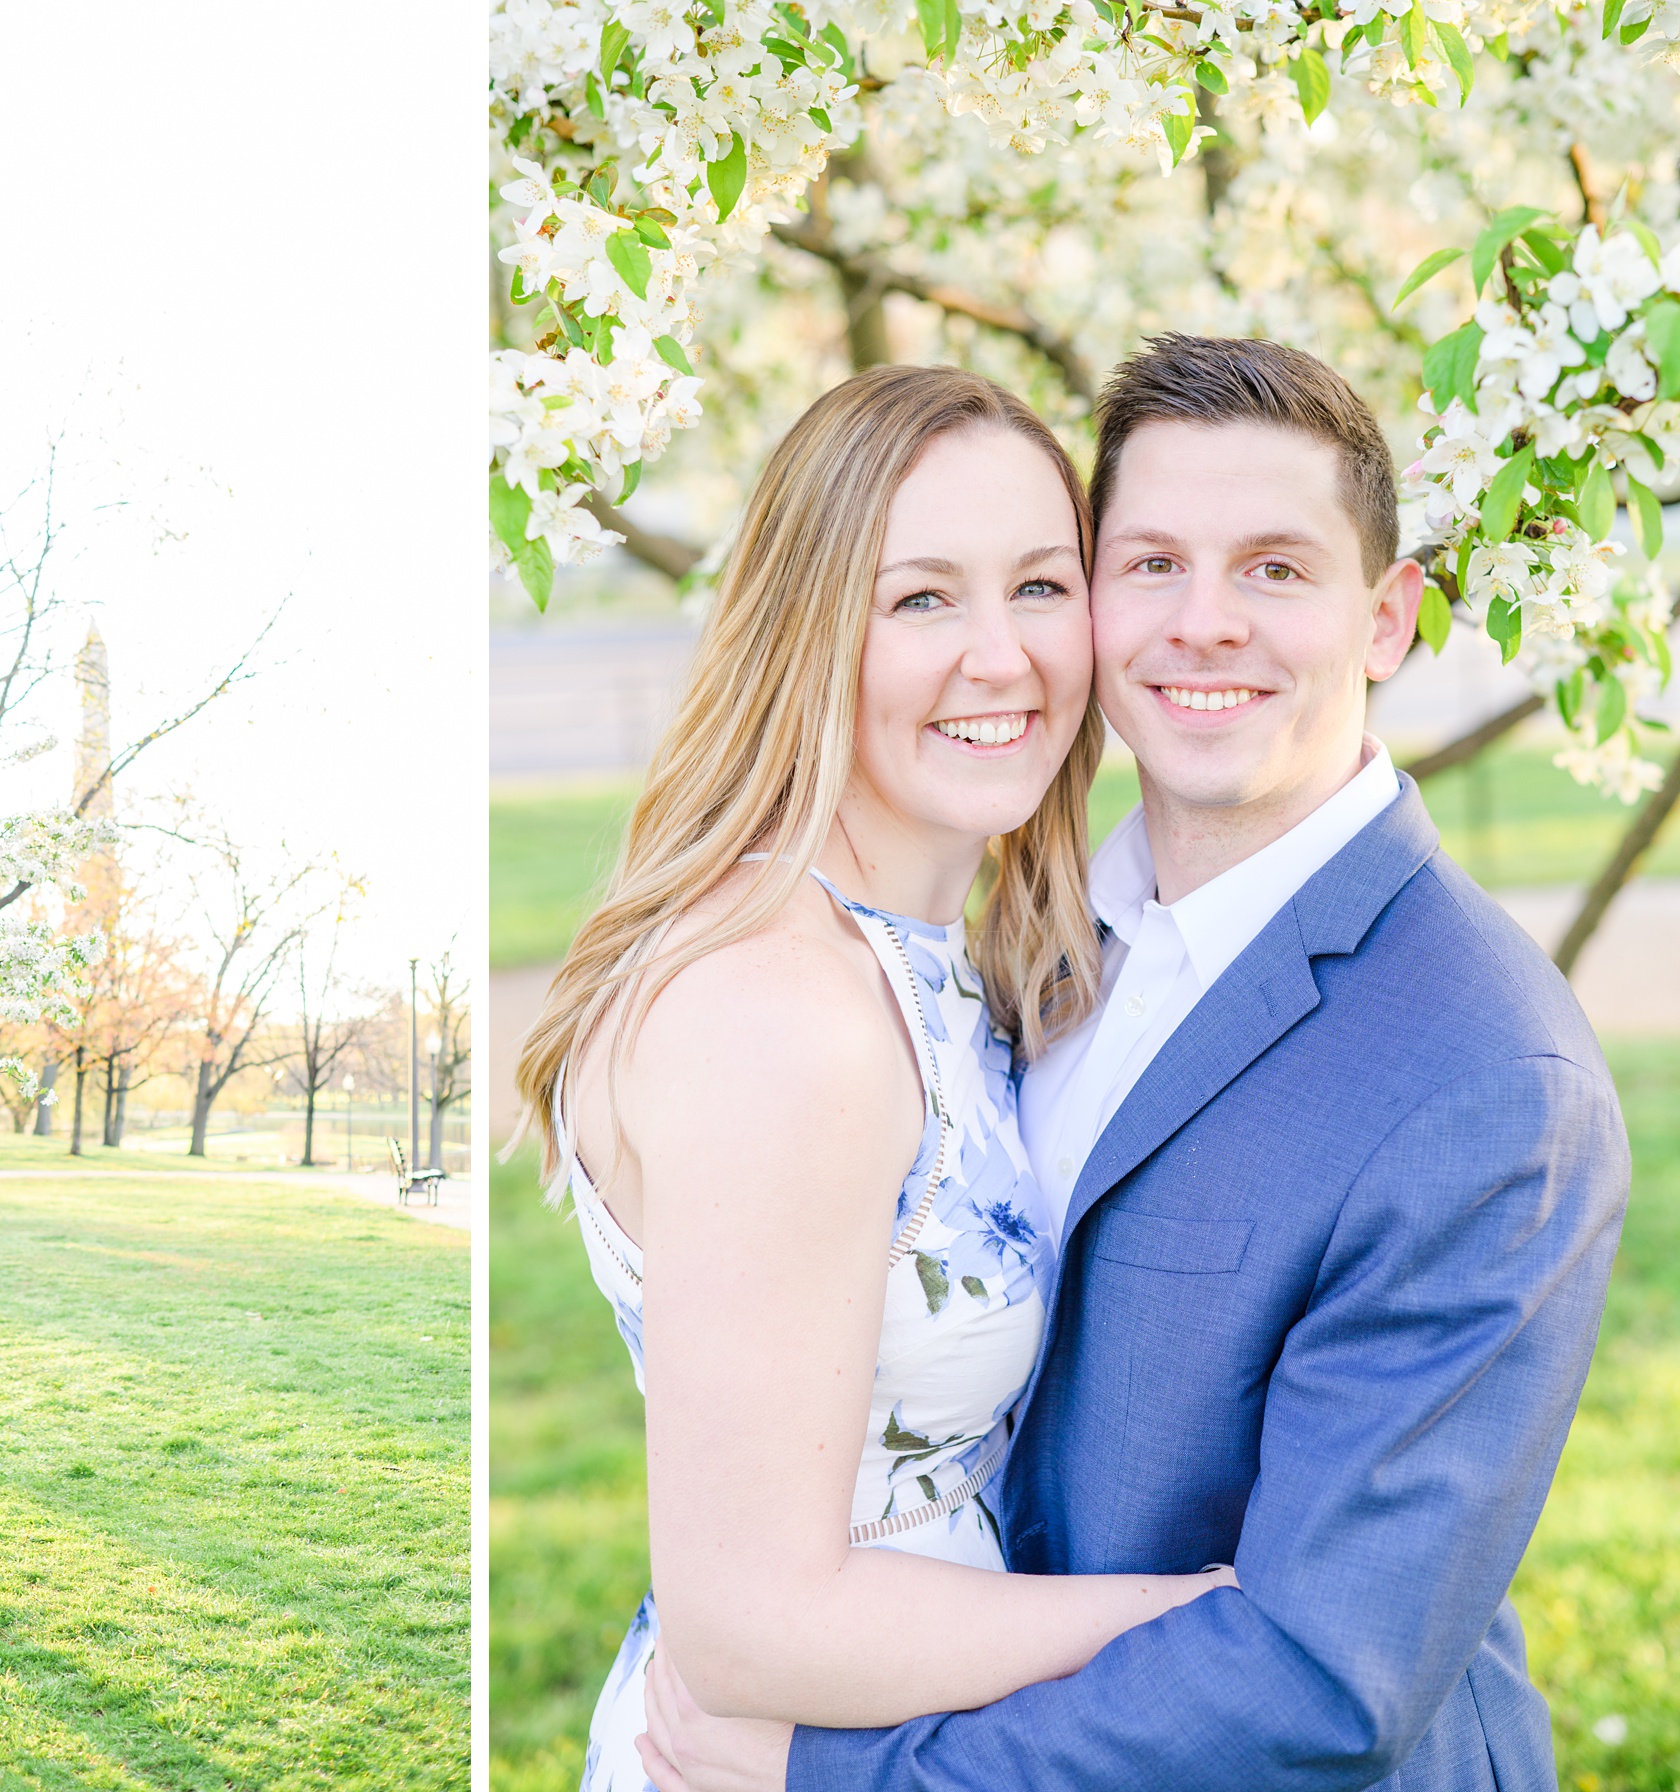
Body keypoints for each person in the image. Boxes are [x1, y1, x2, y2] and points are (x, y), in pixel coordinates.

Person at [638, 337, 1630, 1791]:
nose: (1204, 624)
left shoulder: (1489, 1084)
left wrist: (841, 1776)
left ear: (1390, 619)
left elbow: (1317, 1681)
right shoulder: (1032, 946)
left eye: (1277, 570)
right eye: (1150, 563)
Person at [512, 364, 1237, 1792]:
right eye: (922, 600)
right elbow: (752, 1624)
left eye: (1040, 587)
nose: (1004, 657)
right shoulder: (782, 1016)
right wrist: (1203, 1623)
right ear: (808, 635)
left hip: (921, 1732)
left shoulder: (909, 959)